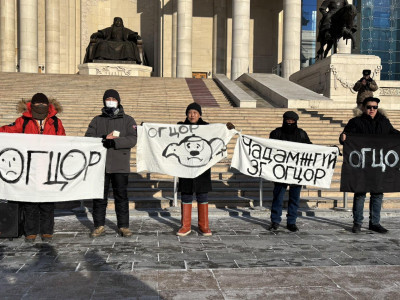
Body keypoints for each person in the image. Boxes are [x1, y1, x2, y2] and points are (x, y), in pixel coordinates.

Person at [0, 93, 66, 243]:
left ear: (48, 106)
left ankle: (47, 231)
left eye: (43, 104)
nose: (40, 107)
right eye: (37, 104)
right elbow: (7, 131)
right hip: (29, 168)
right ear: (32, 105)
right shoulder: (23, 121)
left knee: (47, 202)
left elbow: (64, 141)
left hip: (48, 167)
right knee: (29, 202)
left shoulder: (56, 122)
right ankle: (30, 231)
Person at [340, 97, 399, 234]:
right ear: (363, 108)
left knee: (377, 194)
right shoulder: (355, 122)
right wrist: (342, 137)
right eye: (369, 107)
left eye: (374, 107)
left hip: (378, 166)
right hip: (361, 166)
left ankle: (375, 223)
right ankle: (358, 223)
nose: (372, 109)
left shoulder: (384, 122)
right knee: (360, 193)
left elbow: (393, 134)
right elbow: (346, 136)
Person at [176, 102, 235, 237]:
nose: (192, 115)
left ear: (200, 114)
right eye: (190, 112)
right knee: (186, 194)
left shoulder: (207, 127)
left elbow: (219, 133)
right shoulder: (180, 127)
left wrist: (228, 128)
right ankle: (185, 226)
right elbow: (164, 134)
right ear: (187, 114)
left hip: (202, 168)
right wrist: (147, 129)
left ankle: (204, 226)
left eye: (195, 112)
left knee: (202, 195)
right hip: (185, 167)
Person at [85, 89, 137, 238]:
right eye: (108, 98)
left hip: (119, 165)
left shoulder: (128, 120)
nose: (111, 100)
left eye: (114, 98)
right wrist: (103, 138)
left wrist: (114, 142)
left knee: (121, 196)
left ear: (119, 101)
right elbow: (88, 137)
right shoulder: (97, 120)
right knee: (99, 197)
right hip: (100, 165)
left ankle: (123, 226)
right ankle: (99, 225)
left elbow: (132, 139)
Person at [268, 111, 311, 232]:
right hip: (280, 171)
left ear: (296, 121)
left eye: (292, 121)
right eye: (288, 121)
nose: (290, 123)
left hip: (296, 171)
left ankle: (291, 222)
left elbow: (310, 148)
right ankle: (275, 221)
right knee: (278, 197)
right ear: (284, 120)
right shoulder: (276, 133)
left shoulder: (302, 134)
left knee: (294, 198)